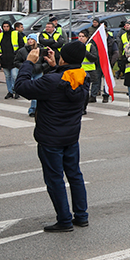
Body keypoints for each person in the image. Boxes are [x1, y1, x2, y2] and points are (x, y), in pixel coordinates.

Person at [14, 40, 90, 232]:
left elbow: (21, 86)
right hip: (71, 136)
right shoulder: (82, 76)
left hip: (50, 138)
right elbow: (63, 82)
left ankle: (64, 221)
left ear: (63, 57)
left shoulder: (52, 81)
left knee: (55, 179)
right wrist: (56, 67)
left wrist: (29, 62)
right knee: (75, 176)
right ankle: (81, 216)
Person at [15, 34, 45, 116]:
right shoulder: (22, 51)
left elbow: (45, 61)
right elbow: (16, 62)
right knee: (32, 91)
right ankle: (32, 109)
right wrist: (26, 66)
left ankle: (35, 109)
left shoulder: (40, 50)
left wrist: (42, 67)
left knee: (38, 91)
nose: (30, 41)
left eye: (32, 39)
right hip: (29, 72)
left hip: (38, 72)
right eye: (29, 39)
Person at [0, 21, 24, 99]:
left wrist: (17, 53)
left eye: (7, 26)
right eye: (4, 26)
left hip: (14, 59)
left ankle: (16, 91)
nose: (6, 28)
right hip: (4, 59)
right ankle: (10, 91)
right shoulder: (0, 35)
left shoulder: (15, 33)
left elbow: (21, 45)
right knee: (7, 76)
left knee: (14, 76)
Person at [78, 31, 100, 110]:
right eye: (79, 36)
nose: (80, 38)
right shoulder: (76, 46)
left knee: (85, 91)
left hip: (89, 71)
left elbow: (94, 58)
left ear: (86, 38)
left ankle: (84, 107)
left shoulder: (90, 46)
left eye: (82, 36)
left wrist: (85, 52)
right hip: (79, 71)